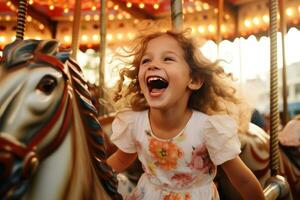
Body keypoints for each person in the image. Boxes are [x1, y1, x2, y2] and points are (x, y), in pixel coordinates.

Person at [107, 30, 265, 200]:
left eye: (167, 58)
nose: (152, 65)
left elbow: (243, 181)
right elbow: (120, 161)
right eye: (146, 60)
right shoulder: (134, 123)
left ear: (194, 80)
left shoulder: (207, 128)